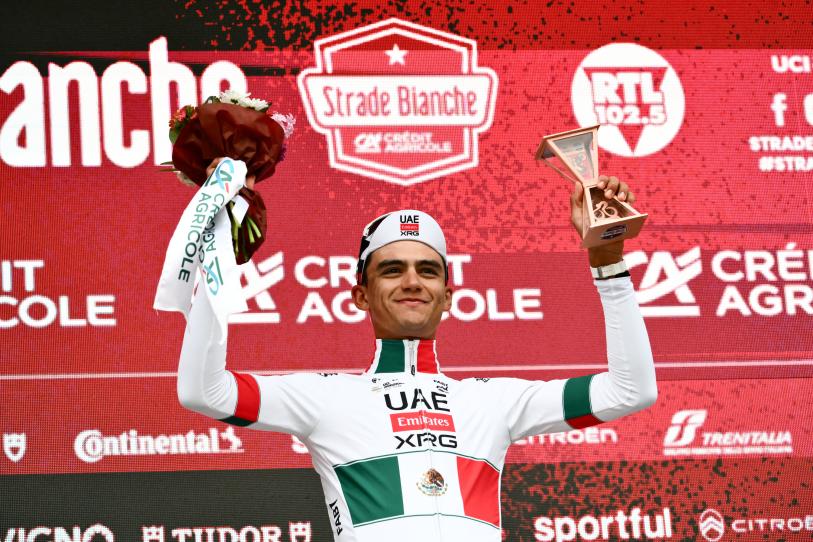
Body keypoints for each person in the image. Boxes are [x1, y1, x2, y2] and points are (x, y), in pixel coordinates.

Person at [176, 167, 657, 542]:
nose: (411, 282)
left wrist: (608, 261)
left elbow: (630, 391)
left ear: (447, 296)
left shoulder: (493, 401)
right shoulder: (326, 397)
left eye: (428, 270)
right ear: (360, 295)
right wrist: (219, 265)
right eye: (391, 270)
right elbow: (204, 391)